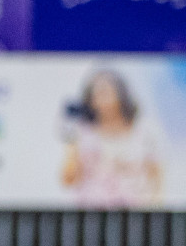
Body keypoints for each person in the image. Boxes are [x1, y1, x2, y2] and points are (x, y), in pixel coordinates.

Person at [60, 70, 163, 208]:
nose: (101, 100)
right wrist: (71, 142)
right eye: (95, 95)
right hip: (92, 213)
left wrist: (154, 209)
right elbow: (69, 180)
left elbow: (156, 176)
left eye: (105, 93)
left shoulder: (143, 132)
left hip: (134, 212)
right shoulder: (84, 133)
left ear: (121, 95)